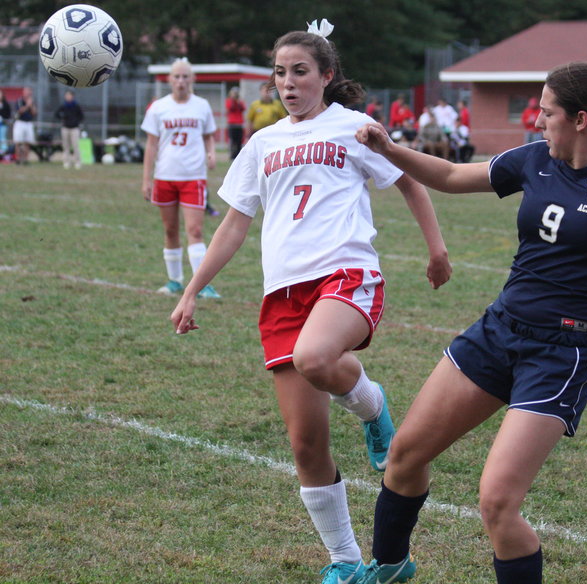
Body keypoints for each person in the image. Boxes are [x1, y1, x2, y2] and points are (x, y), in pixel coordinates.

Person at [170, 19, 451, 584]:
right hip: (282, 294)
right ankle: (346, 561)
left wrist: (437, 249)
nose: (288, 83)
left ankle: (372, 406)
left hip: (346, 275)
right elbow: (233, 227)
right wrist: (194, 289)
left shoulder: (355, 127)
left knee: (317, 357)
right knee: (305, 445)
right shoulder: (262, 143)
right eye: (280, 73)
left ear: (327, 76)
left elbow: (409, 181)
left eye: (300, 72)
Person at [354, 60, 587, 584]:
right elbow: (448, 175)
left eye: (547, 112)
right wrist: (389, 149)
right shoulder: (534, 160)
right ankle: (389, 568)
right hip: (499, 330)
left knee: (497, 503)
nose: (537, 121)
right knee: (404, 455)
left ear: (580, 119)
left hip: (562, 353)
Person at [141, 58, 220, 299]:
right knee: (170, 229)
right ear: (169, 80)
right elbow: (151, 145)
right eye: (177, 76)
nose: (181, 81)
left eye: (186, 76)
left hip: (193, 176)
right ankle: (175, 280)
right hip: (165, 176)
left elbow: (208, 136)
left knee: (195, 230)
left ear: (193, 79)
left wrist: (212, 152)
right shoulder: (158, 108)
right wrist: (147, 179)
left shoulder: (202, 106)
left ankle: (201, 284)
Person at [55, 90, 84, 169]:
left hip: (74, 128)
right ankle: (66, 162)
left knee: (75, 146)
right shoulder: (63, 106)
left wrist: (75, 121)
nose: (68, 97)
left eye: (69, 95)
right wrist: (63, 118)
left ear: (72, 96)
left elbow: (81, 116)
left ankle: (77, 162)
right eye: (66, 95)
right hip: (65, 128)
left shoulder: (76, 106)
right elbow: (57, 114)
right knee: (66, 146)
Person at [13, 86, 37, 165]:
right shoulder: (19, 100)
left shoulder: (32, 101)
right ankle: (18, 159)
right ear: (24, 92)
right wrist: (27, 105)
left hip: (28, 123)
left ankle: (26, 160)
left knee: (27, 142)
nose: (28, 93)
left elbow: (34, 113)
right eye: (27, 91)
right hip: (20, 123)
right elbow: (20, 111)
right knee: (18, 142)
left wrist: (31, 105)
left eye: (30, 91)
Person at [225, 86, 246, 159]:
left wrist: (238, 101)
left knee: (239, 141)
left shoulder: (240, 101)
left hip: (239, 124)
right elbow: (230, 107)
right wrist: (233, 100)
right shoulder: (229, 101)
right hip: (232, 124)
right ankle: (232, 155)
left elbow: (243, 108)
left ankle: (238, 155)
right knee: (232, 141)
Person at [0, 89, 11, 155]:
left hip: (3, 125)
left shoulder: (6, 104)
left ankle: (3, 152)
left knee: (3, 137)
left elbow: (8, 115)